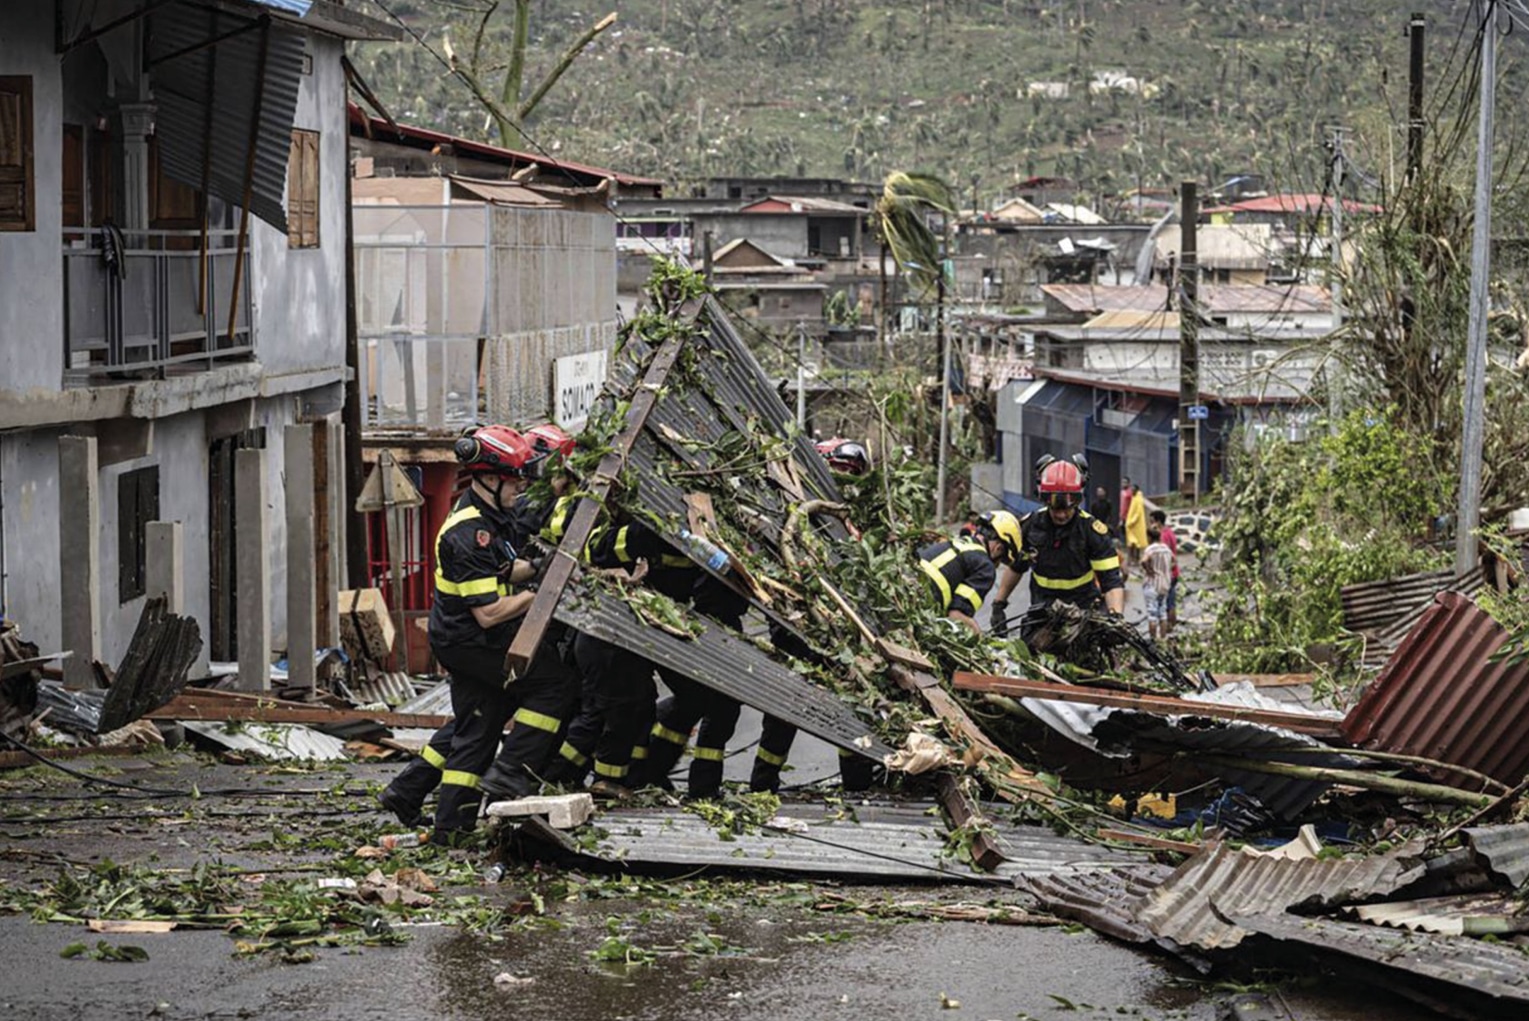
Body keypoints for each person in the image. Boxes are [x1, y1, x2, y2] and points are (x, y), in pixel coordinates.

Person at [377, 424, 580, 830]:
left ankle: (444, 823)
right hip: (470, 639)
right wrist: (542, 592)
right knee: (555, 686)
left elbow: (506, 568)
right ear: (488, 478)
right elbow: (489, 612)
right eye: (513, 481)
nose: (520, 489)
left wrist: (542, 567)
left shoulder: (492, 516)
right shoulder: (470, 533)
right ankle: (509, 774)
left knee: (479, 723)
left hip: (464, 637)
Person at [990, 457, 1125, 648]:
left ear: (1077, 500)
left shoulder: (1092, 531)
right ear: (1045, 499)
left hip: (1083, 609)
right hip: (1042, 609)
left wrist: (1116, 617)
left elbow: (1111, 581)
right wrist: (999, 604)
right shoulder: (1031, 526)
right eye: (1056, 509)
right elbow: (1016, 567)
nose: (1061, 515)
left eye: (1067, 509)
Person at [919, 509, 1022, 635]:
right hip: (922, 604)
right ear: (998, 548)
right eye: (1002, 559)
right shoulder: (986, 567)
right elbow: (956, 615)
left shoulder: (957, 542)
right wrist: (979, 637)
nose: (997, 565)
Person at [1149, 508, 1181, 634]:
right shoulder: (1170, 532)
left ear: (1158, 522)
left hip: (1167, 574)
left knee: (1165, 604)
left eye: (1152, 521)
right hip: (1173, 573)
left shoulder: (1163, 536)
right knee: (1171, 601)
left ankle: (1168, 628)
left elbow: (1165, 556)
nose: (1151, 524)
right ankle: (1172, 628)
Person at [1141, 525, 1173, 642]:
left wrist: (1149, 570)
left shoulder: (1150, 549)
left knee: (1152, 614)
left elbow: (1144, 561)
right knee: (1162, 612)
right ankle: (1163, 639)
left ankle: (1153, 641)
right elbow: (1173, 561)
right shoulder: (1166, 549)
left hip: (1152, 584)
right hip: (1165, 584)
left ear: (1149, 537)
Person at [1124, 483, 1147, 569]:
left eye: (1133, 490)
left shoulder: (1138, 499)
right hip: (1132, 526)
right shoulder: (1134, 498)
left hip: (1136, 526)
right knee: (1132, 543)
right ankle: (1131, 560)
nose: (1131, 491)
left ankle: (1135, 560)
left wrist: (1130, 522)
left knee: (1136, 544)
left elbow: (1138, 513)